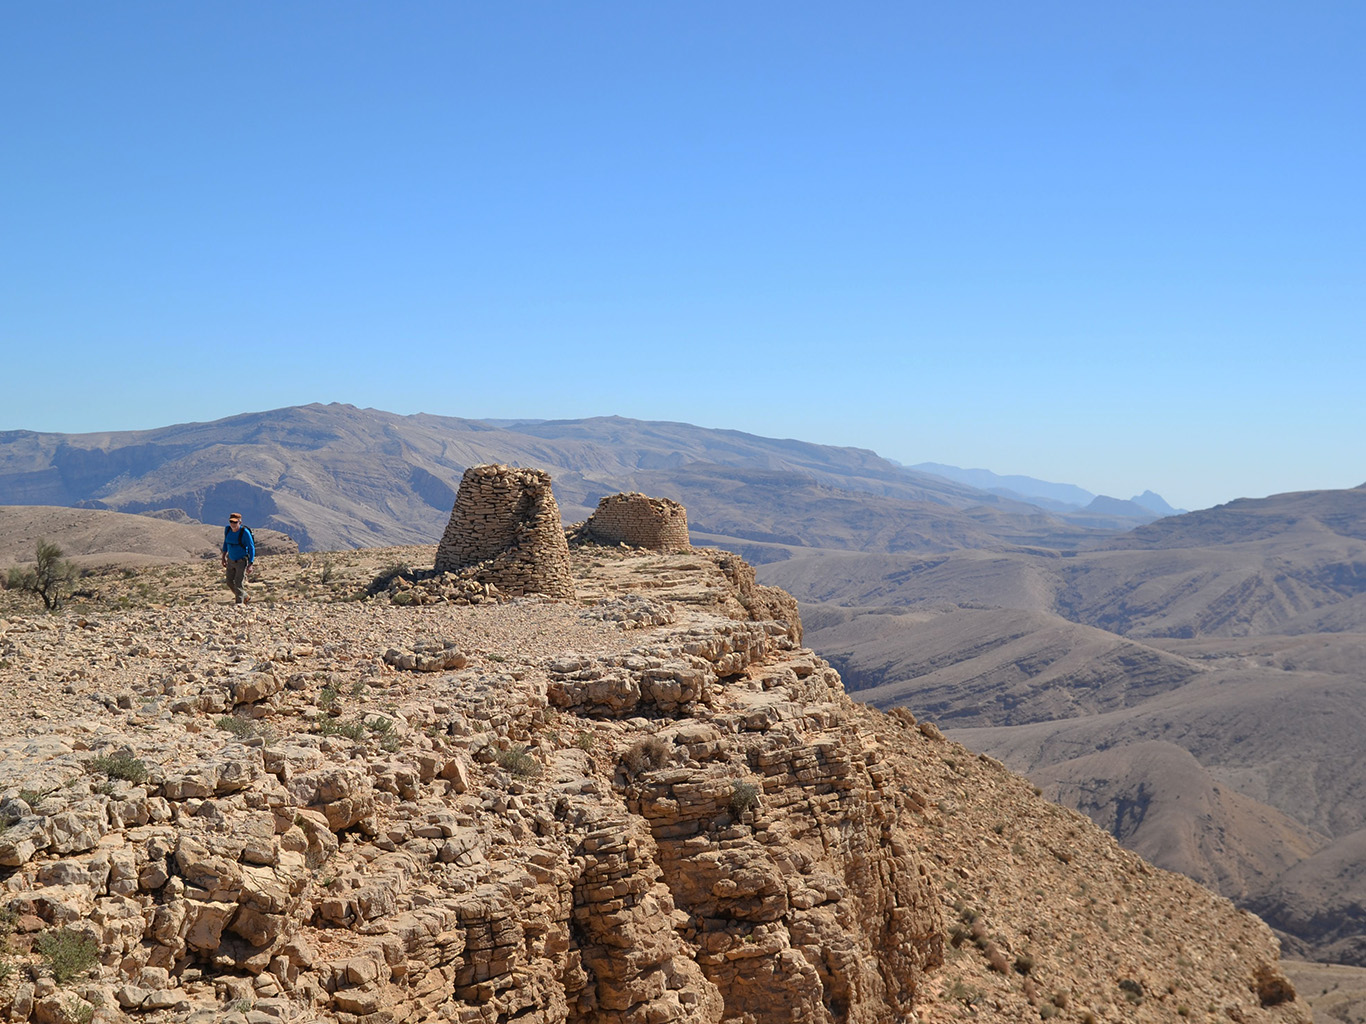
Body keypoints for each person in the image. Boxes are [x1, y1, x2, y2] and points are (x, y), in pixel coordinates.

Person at [221, 513, 256, 604]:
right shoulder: (228, 530)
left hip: (241, 561)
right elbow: (226, 543)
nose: (233, 524)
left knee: (238, 584)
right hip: (230, 560)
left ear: (240, 522)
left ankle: (239, 605)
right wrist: (223, 557)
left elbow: (251, 547)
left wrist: (250, 564)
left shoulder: (244, 532)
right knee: (229, 582)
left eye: (235, 522)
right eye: (231, 521)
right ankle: (246, 596)